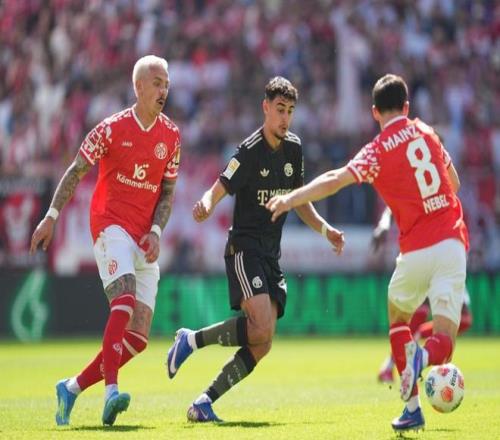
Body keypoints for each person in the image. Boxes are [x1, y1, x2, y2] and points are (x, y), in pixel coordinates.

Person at [266, 74, 469, 433]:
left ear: (375, 112)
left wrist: (292, 198)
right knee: (445, 341)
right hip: (452, 241)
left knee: (398, 320)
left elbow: (335, 179)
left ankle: (412, 408)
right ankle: (423, 359)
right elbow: (454, 184)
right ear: (407, 106)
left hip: (416, 250)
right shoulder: (428, 132)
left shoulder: (377, 150)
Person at [165, 76, 345, 422]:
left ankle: (203, 401)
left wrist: (326, 230)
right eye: (280, 109)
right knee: (260, 325)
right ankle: (192, 341)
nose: (285, 118)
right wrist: (206, 203)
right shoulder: (249, 151)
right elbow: (220, 185)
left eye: (290, 111)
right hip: (244, 248)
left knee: (263, 342)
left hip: (270, 254)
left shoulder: (294, 149)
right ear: (266, 108)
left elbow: (299, 200)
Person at [30, 55, 181, 426]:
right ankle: (111, 392)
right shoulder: (110, 130)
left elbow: (167, 192)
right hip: (110, 226)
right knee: (123, 301)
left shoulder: (172, 136)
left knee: (139, 337)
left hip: (144, 236)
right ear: (139, 87)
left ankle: (71, 388)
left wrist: (157, 232)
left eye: (166, 83)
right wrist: (51, 216)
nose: (164, 90)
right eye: (157, 83)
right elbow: (76, 170)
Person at [372, 207, 473, 384]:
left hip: (446, 250)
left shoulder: (443, 197)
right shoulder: (415, 196)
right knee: (414, 315)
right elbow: (393, 204)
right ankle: (396, 364)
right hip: (423, 250)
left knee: (463, 320)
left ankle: (415, 353)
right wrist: (384, 224)